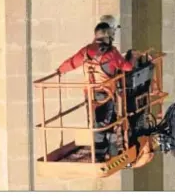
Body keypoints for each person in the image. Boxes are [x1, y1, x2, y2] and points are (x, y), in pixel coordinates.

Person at [56, 21, 135, 162]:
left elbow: (72, 62)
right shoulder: (112, 52)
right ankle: (105, 154)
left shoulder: (86, 51)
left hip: (89, 94)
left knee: (94, 122)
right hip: (105, 94)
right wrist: (133, 57)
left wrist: (60, 70)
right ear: (108, 36)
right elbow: (127, 67)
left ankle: (101, 151)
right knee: (107, 122)